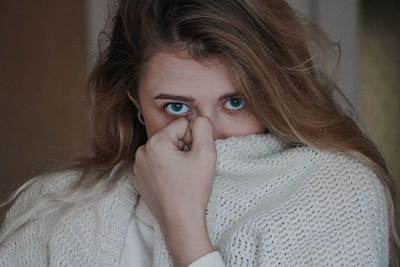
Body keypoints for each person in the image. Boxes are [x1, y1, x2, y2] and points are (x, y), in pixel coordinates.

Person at [0, 0, 399, 266]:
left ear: (274, 93)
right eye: (176, 106)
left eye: (236, 102)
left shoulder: (334, 191)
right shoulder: (50, 206)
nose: (207, 134)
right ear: (135, 101)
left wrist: (184, 225)